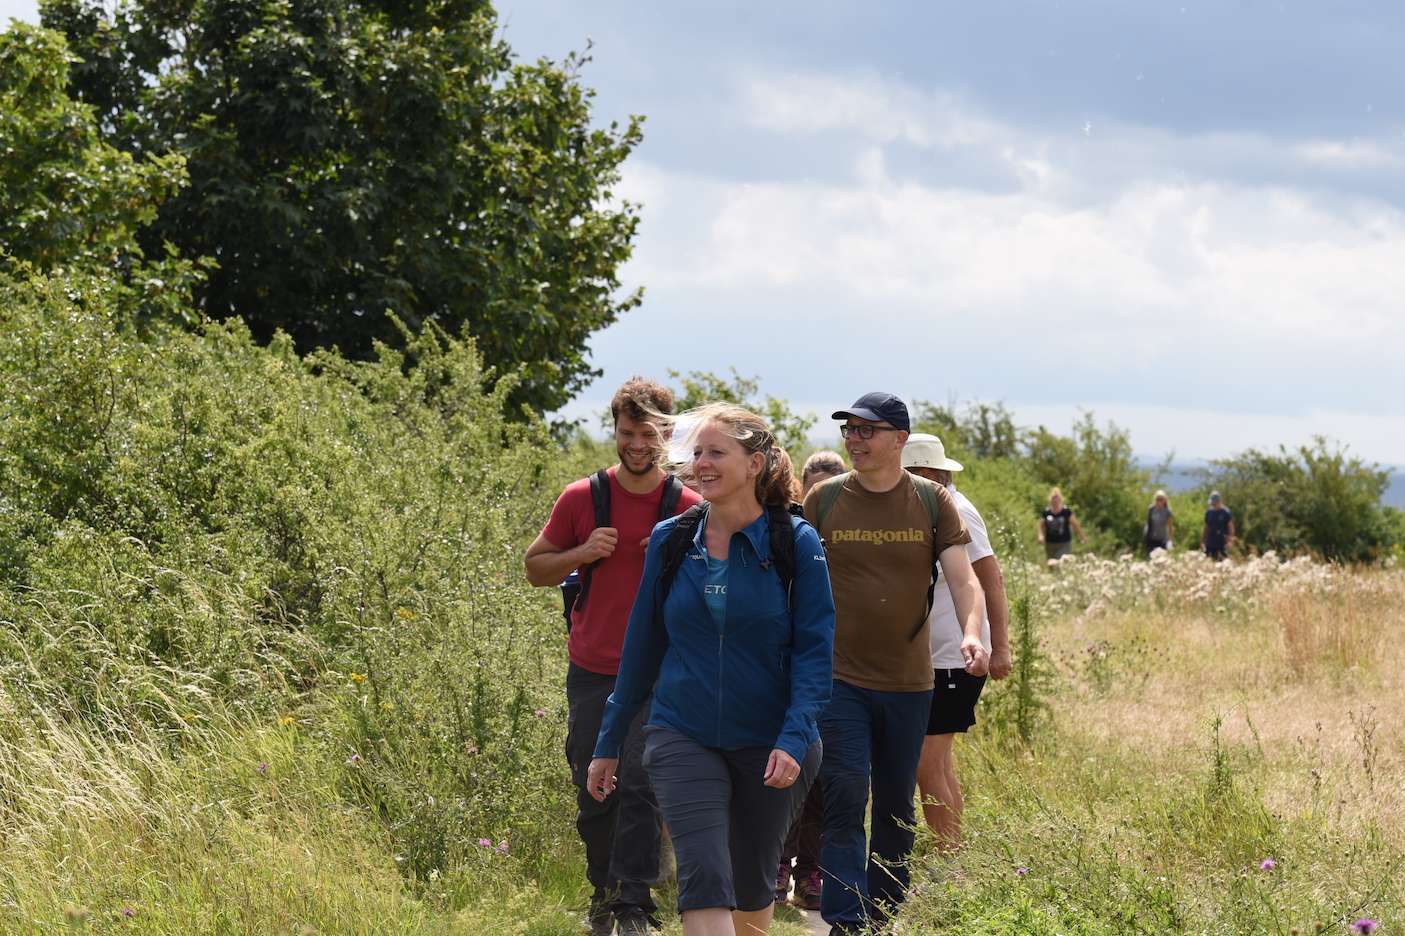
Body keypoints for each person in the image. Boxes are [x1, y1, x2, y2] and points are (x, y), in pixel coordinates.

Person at [587, 403, 836, 936]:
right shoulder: (672, 540)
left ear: (755, 463)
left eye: (716, 452)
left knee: (751, 881)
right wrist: (609, 740)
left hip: (773, 739)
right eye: (696, 452)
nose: (701, 463)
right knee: (704, 871)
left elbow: (816, 654)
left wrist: (793, 738)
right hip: (683, 731)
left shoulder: (796, 543)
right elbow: (640, 649)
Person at [523, 377, 703, 936]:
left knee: (644, 782)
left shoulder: (691, 507)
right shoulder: (583, 498)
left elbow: (722, 593)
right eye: (629, 433)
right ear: (616, 432)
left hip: (662, 671)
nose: (638, 445)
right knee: (593, 782)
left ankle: (634, 903)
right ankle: (603, 890)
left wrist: (679, 560)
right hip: (595, 666)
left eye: (649, 434)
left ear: (667, 435)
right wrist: (583, 551)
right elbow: (535, 569)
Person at [803, 393, 988, 935]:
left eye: (867, 430)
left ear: (900, 440)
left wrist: (973, 635)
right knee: (843, 789)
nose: (854, 440)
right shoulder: (825, 499)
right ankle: (844, 918)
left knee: (895, 804)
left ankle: (884, 911)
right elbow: (793, 575)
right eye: (849, 431)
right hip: (840, 678)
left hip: (911, 680)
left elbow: (964, 578)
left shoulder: (932, 501)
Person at [775, 450, 849, 911]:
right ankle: (779, 863)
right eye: (814, 486)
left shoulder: (852, 531)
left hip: (844, 664)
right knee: (790, 767)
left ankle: (813, 871)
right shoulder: (791, 531)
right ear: (803, 489)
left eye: (832, 484)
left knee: (825, 776)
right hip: (795, 664)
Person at [1037, 487, 1085, 562]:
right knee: (1051, 565)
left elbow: (1075, 525)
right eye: (1053, 497)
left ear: (1060, 499)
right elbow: (1041, 525)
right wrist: (1040, 535)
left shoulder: (1066, 512)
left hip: (1064, 543)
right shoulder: (1046, 512)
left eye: (1057, 497)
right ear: (1050, 499)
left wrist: (1082, 537)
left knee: (1061, 563)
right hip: (1050, 543)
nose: (1055, 500)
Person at [1202, 491, 1235, 560]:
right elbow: (1206, 527)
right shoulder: (1209, 512)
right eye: (1212, 503)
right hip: (1210, 543)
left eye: (1214, 503)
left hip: (1222, 544)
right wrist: (1203, 541)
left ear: (1219, 501)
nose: (1212, 505)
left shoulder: (1226, 512)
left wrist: (1230, 541)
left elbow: (1231, 528)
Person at [1144, 490, 1175, 557]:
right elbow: (1148, 522)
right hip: (1151, 539)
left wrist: (1170, 541)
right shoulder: (1151, 509)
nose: (1159, 501)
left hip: (1162, 539)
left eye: (1161, 499)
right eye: (1157, 499)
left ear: (1165, 500)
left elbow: (1170, 527)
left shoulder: (1168, 511)